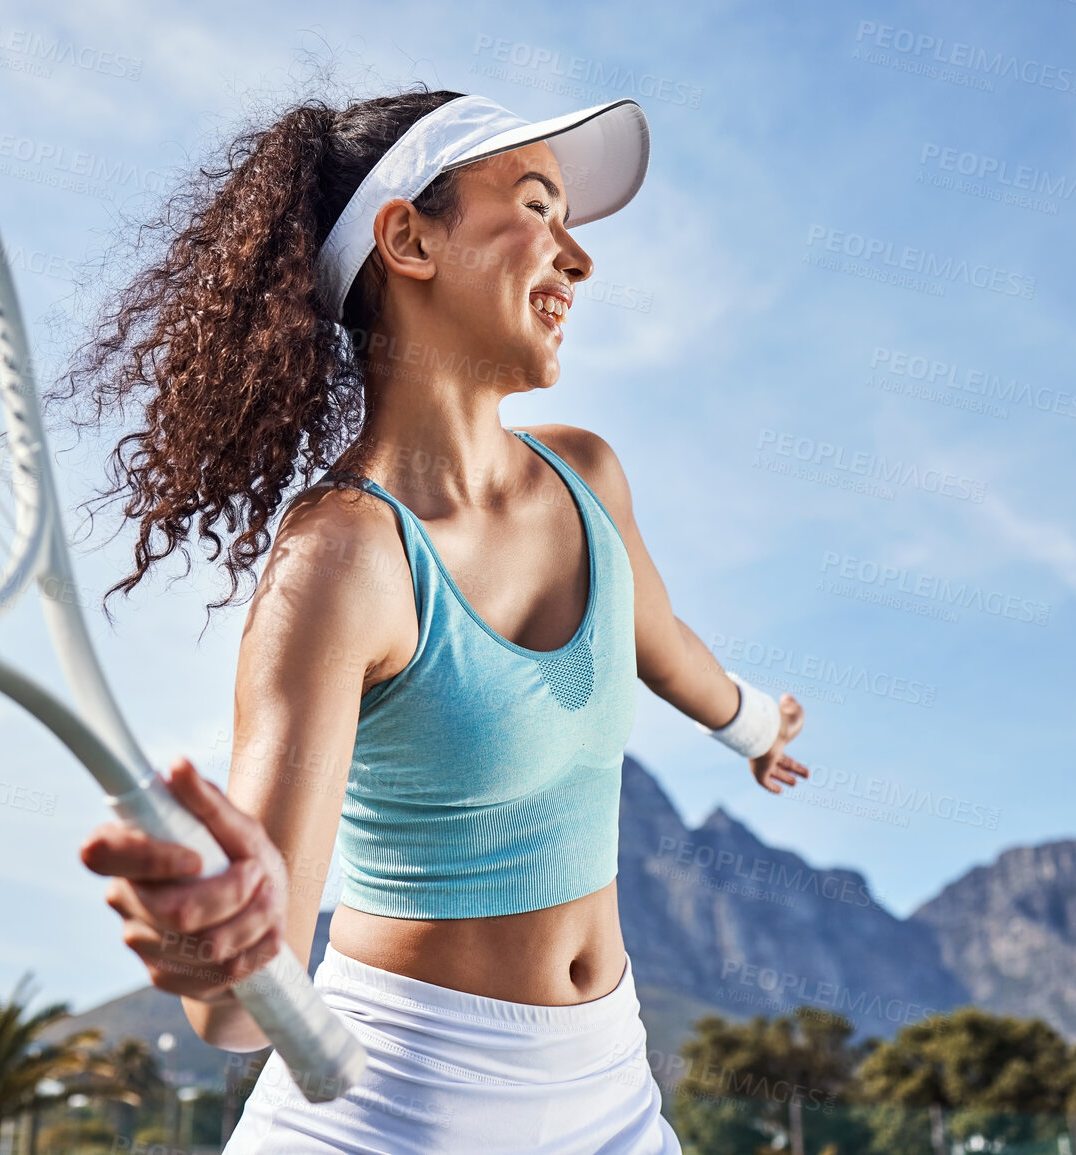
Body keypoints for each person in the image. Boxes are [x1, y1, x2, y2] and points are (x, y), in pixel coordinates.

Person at [66, 87, 809, 1153]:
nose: (579, 259)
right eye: (539, 207)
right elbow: (235, 1009)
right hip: (389, 1113)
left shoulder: (589, 475)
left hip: (613, 1102)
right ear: (408, 238)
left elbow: (668, 649)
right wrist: (210, 950)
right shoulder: (341, 560)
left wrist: (753, 730)